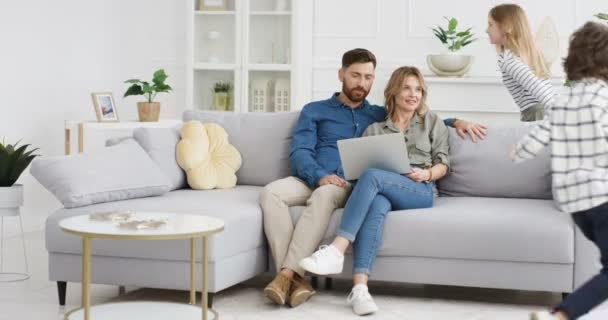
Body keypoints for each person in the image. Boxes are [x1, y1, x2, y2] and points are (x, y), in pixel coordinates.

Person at [259, 48, 486, 308]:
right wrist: (319, 175)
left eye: (368, 77)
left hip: (347, 184)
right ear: (341, 74)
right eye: (356, 75)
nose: (362, 83)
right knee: (270, 193)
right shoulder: (317, 110)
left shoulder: (377, 114)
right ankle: (292, 278)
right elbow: (300, 151)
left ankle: (297, 270)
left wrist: (456, 121)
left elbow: (418, 117)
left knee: (335, 191)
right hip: (313, 175)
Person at [299, 66, 449, 315]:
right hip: (386, 190)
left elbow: (444, 164)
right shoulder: (375, 130)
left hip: (420, 190)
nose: (413, 95)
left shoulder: (432, 122)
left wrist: (427, 173)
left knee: (373, 177)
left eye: (418, 90)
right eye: (407, 88)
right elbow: (359, 172)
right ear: (394, 92)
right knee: (377, 203)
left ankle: (337, 248)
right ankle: (360, 290)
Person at [510, 22, 608, 320]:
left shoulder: (563, 101)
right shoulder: (604, 99)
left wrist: (515, 152)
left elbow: (530, 144)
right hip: (602, 196)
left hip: (577, 206)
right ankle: (562, 316)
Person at [487, 3, 556, 121]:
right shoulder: (526, 54)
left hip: (536, 114)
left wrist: (562, 113)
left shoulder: (510, 60)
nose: (487, 30)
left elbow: (538, 87)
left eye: (490, 25)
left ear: (507, 27)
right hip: (542, 112)